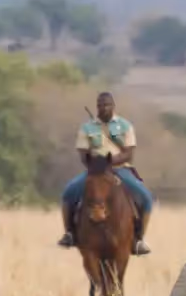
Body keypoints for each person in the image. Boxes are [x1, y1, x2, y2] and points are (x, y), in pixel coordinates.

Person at [57, 91, 153, 255]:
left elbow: (128, 153)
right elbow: (83, 154)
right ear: (97, 107)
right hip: (95, 171)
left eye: (107, 105)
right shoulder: (87, 128)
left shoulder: (125, 126)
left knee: (146, 197)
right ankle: (69, 233)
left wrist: (110, 162)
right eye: (101, 106)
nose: (104, 108)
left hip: (120, 169)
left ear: (113, 106)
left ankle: (139, 239)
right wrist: (97, 164)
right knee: (68, 192)